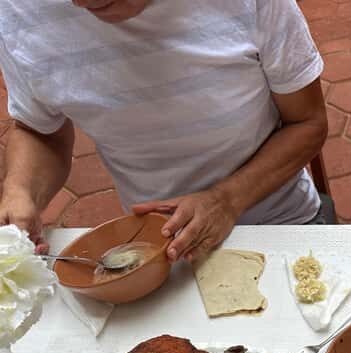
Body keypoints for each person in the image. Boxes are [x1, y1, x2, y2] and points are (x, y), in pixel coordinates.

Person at [0, 0, 328, 262]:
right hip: (158, 247)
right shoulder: (17, 10)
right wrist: (21, 191)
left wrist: (226, 201)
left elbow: (308, 123)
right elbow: (40, 130)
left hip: (280, 224)